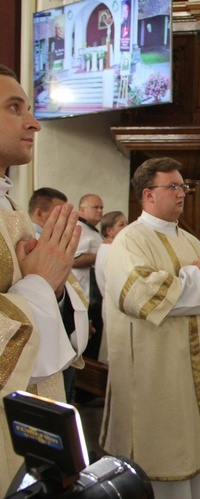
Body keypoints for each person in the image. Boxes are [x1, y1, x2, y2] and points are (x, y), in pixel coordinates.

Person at [100, 157, 200, 499]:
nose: (182, 194)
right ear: (148, 194)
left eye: (183, 186)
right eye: (173, 187)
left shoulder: (191, 240)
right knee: (161, 454)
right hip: (156, 376)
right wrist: (195, 279)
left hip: (194, 375)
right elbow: (139, 294)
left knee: (196, 448)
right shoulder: (129, 241)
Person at [0, 63, 88, 492]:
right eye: (14, 108)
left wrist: (49, 281)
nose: (33, 122)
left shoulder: (9, 209)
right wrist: (37, 286)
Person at [72, 194, 104, 361]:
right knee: (85, 349)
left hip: (95, 295)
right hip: (85, 296)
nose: (100, 211)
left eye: (101, 207)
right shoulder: (79, 229)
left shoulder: (91, 231)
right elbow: (73, 260)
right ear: (82, 209)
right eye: (95, 207)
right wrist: (102, 254)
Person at [93, 211, 127, 363]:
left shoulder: (109, 248)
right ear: (109, 231)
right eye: (121, 225)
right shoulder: (110, 251)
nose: (127, 227)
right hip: (114, 306)